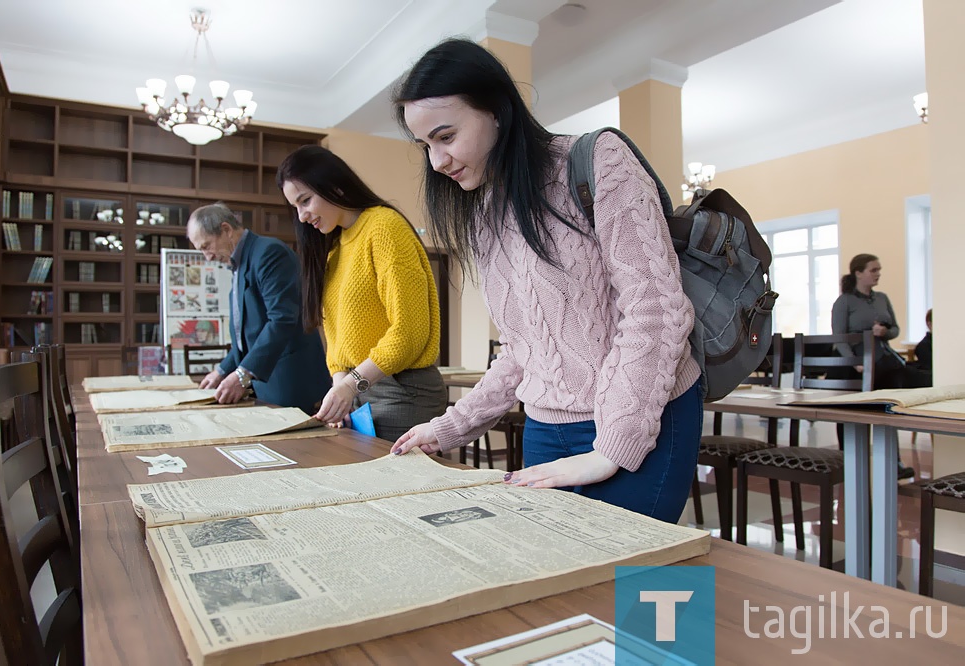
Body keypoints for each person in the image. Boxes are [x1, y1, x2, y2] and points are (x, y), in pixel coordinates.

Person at [389, 39, 703, 522]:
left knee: (635, 587)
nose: (437, 161)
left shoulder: (597, 160)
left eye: (446, 136)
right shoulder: (484, 213)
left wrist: (611, 449)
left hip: (643, 418)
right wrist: (451, 427)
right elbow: (522, 349)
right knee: (557, 587)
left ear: (494, 109)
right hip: (545, 426)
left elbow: (655, 309)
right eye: (425, 145)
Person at [276, 145, 447, 441]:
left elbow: (409, 332)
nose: (302, 216)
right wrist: (340, 385)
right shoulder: (334, 250)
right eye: (295, 208)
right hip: (360, 390)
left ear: (334, 185)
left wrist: (349, 386)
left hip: (401, 391)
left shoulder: (383, 227)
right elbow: (338, 342)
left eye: (305, 201)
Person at [186, 202, 331, 413]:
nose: (207, 257)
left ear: (226, 230)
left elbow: (282, 319)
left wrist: (242, 375)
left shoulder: (268, 254)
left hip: (290, 383)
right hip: (267, 384)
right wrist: (222, 370)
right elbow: (247, 334)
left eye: (206, 246)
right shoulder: (239, 263)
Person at [831, 253, 915, 479]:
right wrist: (855, 364)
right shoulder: (845, 301)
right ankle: (847, 462)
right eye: (873, 270)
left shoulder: (882, 298)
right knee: (850, 415)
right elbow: (839, 336)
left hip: (883, 363)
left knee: (888, 411)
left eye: (879, 270)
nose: (878, 274)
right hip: (855, 365)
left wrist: (885, 332)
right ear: (858, 273)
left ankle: (893, 463)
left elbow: (896, 329)